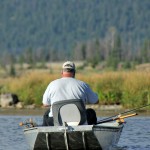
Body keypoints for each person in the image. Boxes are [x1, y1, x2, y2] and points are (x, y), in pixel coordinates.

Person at [42, 61, 99, 126]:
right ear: (74, 72)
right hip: (79, 121)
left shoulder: (52, 84)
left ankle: (46, 134)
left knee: (47, 113)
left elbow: (45, 104)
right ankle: (90, 134)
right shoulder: (83, 85)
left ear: (62, 72)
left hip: (56, 121)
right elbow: (96, 101)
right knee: (91, 112)